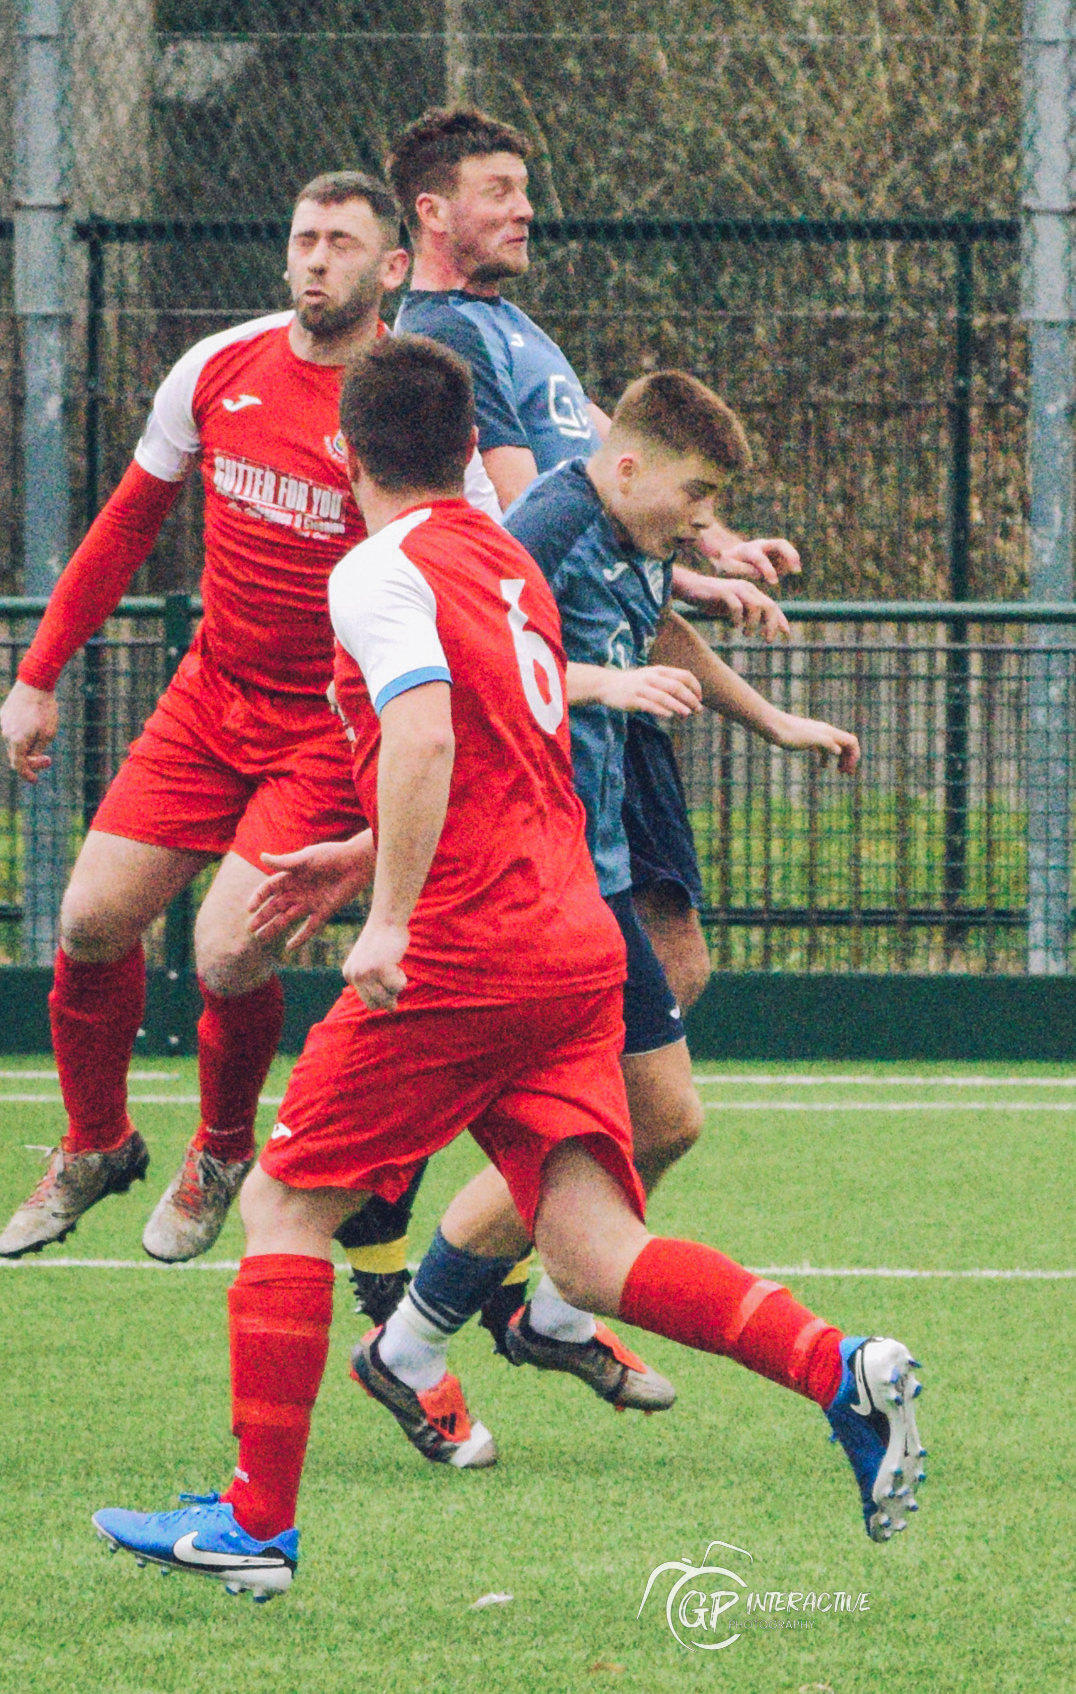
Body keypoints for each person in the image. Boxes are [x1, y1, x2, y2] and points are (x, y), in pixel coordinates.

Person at [91, 335, 923, 1600]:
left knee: (285, 1206)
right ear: (466, 446)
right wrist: (357, 856)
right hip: (572, 938)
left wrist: (388, 915)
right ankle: (839, 1369)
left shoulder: (377, 569)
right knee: (590, 1254)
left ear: (346, 451)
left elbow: (425, 738)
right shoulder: (501, 559)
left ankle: (255, 1522)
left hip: (467, 947)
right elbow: (502, 752)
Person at [269, 105, 803, 1326]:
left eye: (524, 185)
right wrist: (636, 618)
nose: (524, 208)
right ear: (430, 214)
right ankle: (461, 1271)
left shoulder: (516, 328)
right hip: (564, 717)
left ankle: (479, 1283)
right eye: (499, 188)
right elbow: (536, 543)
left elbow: (623, 467)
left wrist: (702, 551)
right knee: (618, 1080)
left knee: (660, 1016)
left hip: (594, 706)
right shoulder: (453, 340)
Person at [333, 367, 860, 1455]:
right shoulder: (548, 526)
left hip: (588, 863)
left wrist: (774, 721)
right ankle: (453, 1331)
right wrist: (600, 686)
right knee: (640, 1123)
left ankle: (464, 1331)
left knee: (647, 1118)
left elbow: (653, 630)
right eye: (695, 495)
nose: (704, 522)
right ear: (625, 466)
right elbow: (479, 666)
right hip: (535, 873)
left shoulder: (633, 531)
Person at [0, 174, 495, 1266]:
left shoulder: (411, 406)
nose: (316, 258)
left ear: (391, 268)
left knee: (226, 954)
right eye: (304, 237)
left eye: (342, 242)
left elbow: (478, 567)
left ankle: (222, 1151)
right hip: (207, 700)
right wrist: (38, 673)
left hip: (326, 730)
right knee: (88, 923)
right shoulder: (219, 366)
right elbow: (126, 525)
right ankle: (95, 1142)